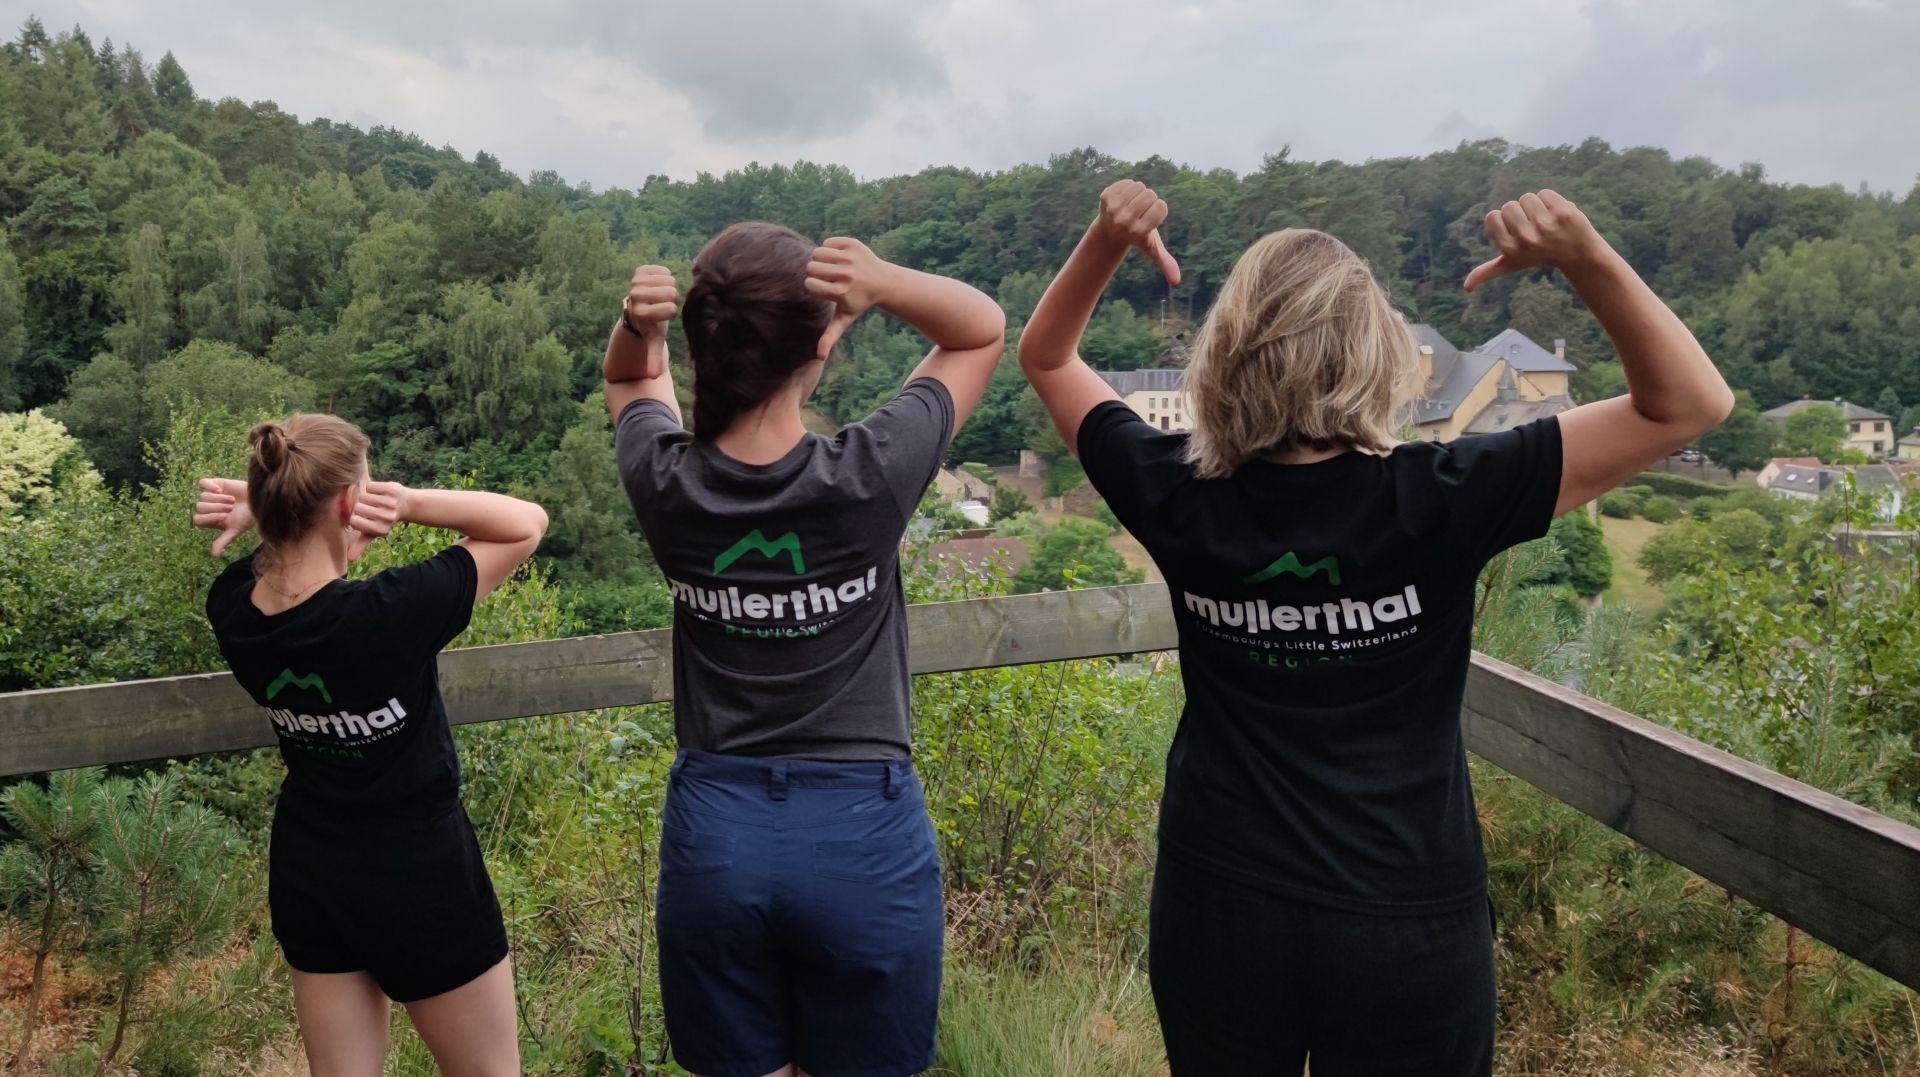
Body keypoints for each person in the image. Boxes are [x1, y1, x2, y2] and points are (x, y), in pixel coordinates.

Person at [1018, 182, 1734, 1075]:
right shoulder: (1446, 494)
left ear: (1226, 355)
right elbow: (1689, 407)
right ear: (1377, 353)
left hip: (1221, 902)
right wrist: (1581, 255)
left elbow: (1046, 356)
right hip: (1406, 915)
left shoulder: (1170, 488)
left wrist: (1105, 240)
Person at [604, 224, 1004, 1077]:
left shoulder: (665, 479)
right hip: (861, 830)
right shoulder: (869, 472)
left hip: (716, 833)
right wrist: (884, 278)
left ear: (703, 341)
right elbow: (979, 330)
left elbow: (632, 377)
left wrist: (641, 327)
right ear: (821, 344)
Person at [193, 413, 548, 1077]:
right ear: (352, 503)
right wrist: (409, 503)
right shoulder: (390, 613)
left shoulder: (234, 610)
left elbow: (279, 562)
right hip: (421, 874)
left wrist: (272, 515)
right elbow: (525, 521)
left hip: (311, 871)